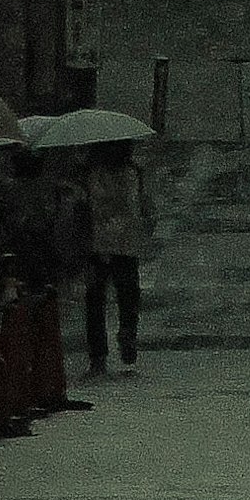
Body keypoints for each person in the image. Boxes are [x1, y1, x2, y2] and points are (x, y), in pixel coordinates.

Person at [84, 137, 152, 371]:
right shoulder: (132, 173)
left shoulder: (96, 173)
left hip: (102, 243)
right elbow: (139, 205)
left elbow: (96, 205)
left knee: (97, 299)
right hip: (124, 244)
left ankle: (100, 353)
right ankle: (126, 334)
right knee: (127, 294)